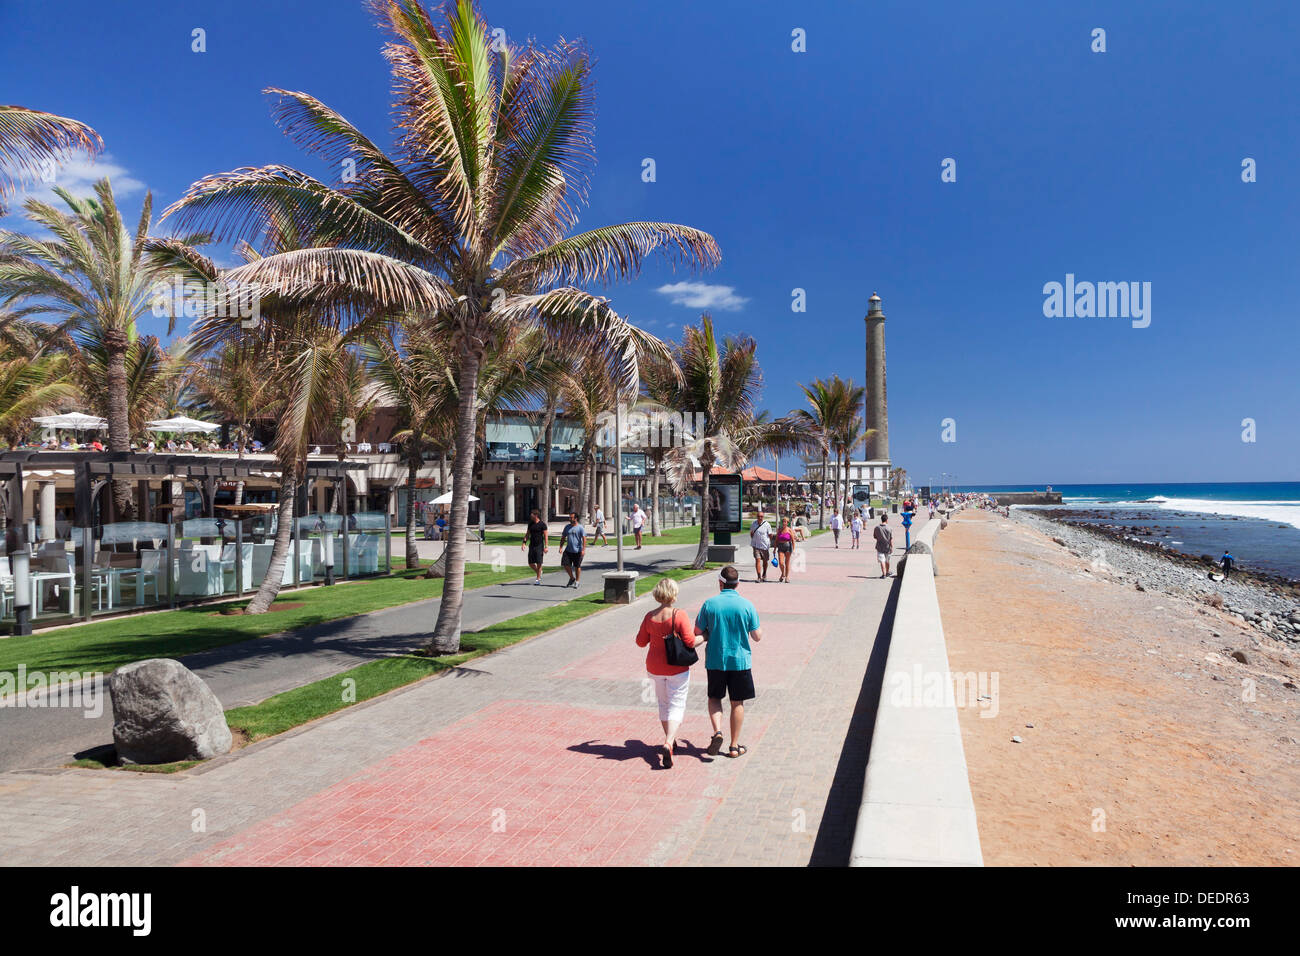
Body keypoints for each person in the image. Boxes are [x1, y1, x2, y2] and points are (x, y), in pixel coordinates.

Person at [695, 565, 762, 759]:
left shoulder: (710, 604)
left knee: (715, 698)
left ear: (720, 583)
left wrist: (710, 632)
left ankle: (717, 731)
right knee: (737, 703)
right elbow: (757, 636)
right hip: (740, 662)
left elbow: (697, 632)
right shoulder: (747, 605)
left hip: (716, 660)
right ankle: (733, 747)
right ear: (738, 583)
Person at [635, 577, 699, 768]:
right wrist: (704, 637)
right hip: (676, 667)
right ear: (674, 594)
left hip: (654, 667)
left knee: (663, 703)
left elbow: (640, 642)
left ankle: (670, 741)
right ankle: (669, 742)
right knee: (677, 703)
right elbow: (690, 642)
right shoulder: (679, 615)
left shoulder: (649, 616)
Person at [521, 508, 548, 584]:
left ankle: (538, 579)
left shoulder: (542, 524)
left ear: (536, 515)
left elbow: (546, 536)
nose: (530, 516)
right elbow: (527, 534)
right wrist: (524, 543)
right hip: (532, 545)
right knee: (530, 563)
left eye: (532, 514)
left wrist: (546, 546)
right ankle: (539, 572)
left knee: (539, 562)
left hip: (539, 545)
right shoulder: (530, 524)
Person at [560, 511, 586, 588]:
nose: (570, 519)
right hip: (568, 550)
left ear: (576, 518)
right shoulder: (567, 527)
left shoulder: (580, 527)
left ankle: (577, 581)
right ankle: (572, 578)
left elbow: (584, 539)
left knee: (577, 566)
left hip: (578, 551)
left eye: (571, 517)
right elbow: (563, 537)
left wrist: (583, 550)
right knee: (565, 564)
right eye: (569, 517)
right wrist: (561, 547)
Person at [749, 510, 773, 582]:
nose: (760, 518)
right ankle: (759, 576)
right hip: (756, 545)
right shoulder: (754, 524)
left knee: (765, 561)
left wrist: (768, 542)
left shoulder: (767, 524)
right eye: (759, 516)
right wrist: (754, 541)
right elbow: (751, 533)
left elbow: (770, 535)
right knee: (757, 560)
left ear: (763, 517)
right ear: (757, 517)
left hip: (765, 546)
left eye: (761, 516)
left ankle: (764, 574)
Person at [774, 517, 795, 583]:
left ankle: (787, 577)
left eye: (785, 522)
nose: (784, 523)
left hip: (788, 547)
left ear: (787, 523)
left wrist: (793, 550)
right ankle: (783, 573)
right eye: (783, 521)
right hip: (780, 547)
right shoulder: (779, 530)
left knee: (787, 563)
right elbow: (776, 540)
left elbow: (793, 541)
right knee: (781, 562)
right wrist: (774, 549)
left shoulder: (789, 530)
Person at [873, 513, 894, 578]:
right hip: (888, 547)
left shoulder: (877, 528)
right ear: (887, 520)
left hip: (879, 546)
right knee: (887, 560)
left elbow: (874, 536)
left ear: (881, 519)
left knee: (882, 560)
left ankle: (884, 574)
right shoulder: (889, 528)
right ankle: (887, 572)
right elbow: (891, 539)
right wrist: (892, 547)